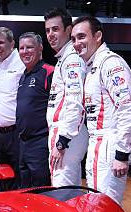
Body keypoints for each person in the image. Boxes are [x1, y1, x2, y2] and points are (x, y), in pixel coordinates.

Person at [72, 16, 131, 204]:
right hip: (96, 144)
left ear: (98, 36)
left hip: (110, 144)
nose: (77, 43)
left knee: (107, 208)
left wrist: (122, 154)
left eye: (82, 36)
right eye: (74, 38)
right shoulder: (92, 67)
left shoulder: (111, 63)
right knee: (95, 205)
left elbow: (127, 109)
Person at [44, 7, 88, 188]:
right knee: (67, 190)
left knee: (63, 191)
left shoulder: (71, 59)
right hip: (63, 133)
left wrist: (62, 141)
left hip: (67, 136)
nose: (50, 35)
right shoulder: (64, 59)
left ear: (68, 30)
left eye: (55, 29)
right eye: (47, 30)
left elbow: (74, 102)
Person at [16, 32, 54, 188]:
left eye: (29, 47)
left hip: (40, 142)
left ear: (40, 49)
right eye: (22, 48)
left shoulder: (49, 72)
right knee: (25, 189)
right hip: (23, 143)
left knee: (41, 190)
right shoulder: (23, 76)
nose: (25, 51)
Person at [0, 27, 26, 190]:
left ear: (12, 44)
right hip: (0, 135)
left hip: (16, 134)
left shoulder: (21, 63)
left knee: (19, 178)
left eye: (1, 42)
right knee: (4, 178)